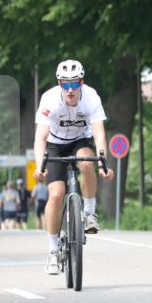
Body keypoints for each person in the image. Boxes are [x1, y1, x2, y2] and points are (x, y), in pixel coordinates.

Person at [33, 59, 113, 274]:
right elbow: (40, 137)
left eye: (74, 84)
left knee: (87, 162)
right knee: (56, 194)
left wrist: (103, 161)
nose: (70, 90)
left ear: (81, 83)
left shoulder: (91, 97)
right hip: (55, 144)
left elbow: (99, 133)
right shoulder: (49, 100)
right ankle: (52, 250)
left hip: (80, 140)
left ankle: (88, 212)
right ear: (59, 83)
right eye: (65, 84)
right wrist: (40, 165)